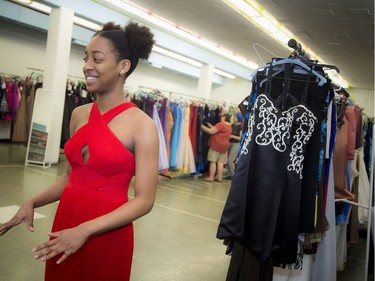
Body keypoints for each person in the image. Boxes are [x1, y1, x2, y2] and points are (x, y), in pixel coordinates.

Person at [0, 21, 159, 281]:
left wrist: (85, 230)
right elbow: (70, 177)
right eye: (85, 58)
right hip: (67, 221)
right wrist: (32, 201)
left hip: (106, 230)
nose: (87, 66)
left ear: (123, 66)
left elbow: (144, 201)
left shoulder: (143, 126)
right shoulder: (78, 115)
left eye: (97, 58)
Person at [201, 113, 232, 183]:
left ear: (224, 117)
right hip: (224, 146)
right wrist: (211, 126)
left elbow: (211, 131)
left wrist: (201, 126)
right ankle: (219, 178)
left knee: (213, 161)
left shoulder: (221, 124)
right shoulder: (229, 126)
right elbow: (218, 130)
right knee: (220, 162)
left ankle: (211, 177)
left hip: (216, 145)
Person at [225, 112, 243, 180]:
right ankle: (230, 175)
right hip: (230, 143)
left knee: (230, 160)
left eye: (235, 117)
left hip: (236, 144)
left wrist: (232, 136)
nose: (234, 118)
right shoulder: (232, 125)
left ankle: (234, 175)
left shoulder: (240, 127)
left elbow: (240, 138)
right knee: (228, 160)